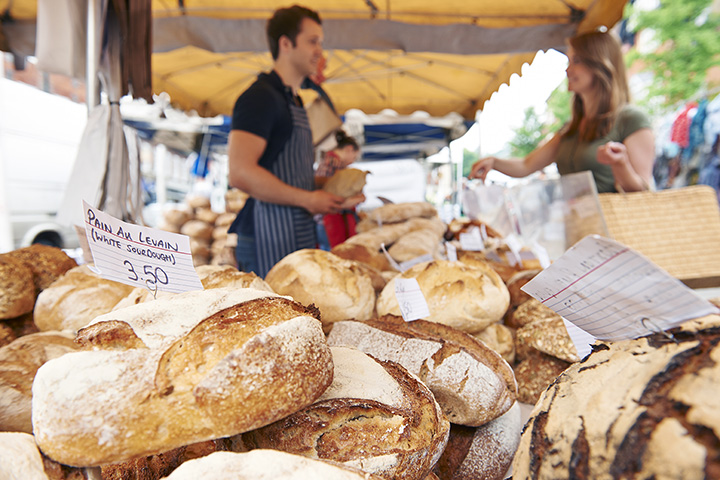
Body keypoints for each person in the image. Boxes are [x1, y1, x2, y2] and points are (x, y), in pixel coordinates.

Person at [226, 5, 353, 277]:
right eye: (312, 41)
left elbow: (291, 174)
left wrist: (334, 193)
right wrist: (308, 199)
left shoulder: (293, 100)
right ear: (286, 43)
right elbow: (240, 172)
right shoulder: (260, 98)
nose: (320, 51)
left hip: (295, 231)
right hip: (264, 235)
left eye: (320, 42)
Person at [469, 31, 655, 193]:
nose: (567, 69)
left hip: (613, 229)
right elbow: (527, 165)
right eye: (568, 60)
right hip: (576, 228)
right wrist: (494, 162)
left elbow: (642, 190)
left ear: (600, 64)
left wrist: (619, 163)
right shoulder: (571, 128)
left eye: (576, 61)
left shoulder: (631, 119)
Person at [315, 130, 364, 248]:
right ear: (349, 149)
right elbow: (337, 195)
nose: (353, 160)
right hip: (329, 219)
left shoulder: (327, 161)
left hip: (323, 220)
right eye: (354, 156)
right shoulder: (335, 163)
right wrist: (357, 198)